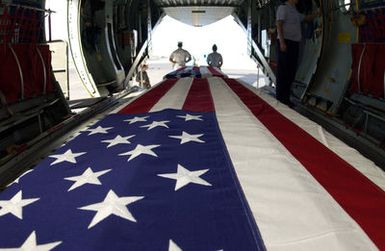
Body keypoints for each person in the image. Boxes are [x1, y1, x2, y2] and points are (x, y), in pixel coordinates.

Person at [276, 0, 319, 106]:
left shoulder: (294, 10)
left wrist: (317, 13)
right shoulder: (283, 8)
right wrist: (282, 43)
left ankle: (285, 98)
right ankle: (280, 99)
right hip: (285, 42)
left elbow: (305, 18)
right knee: (283, 72)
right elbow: (279, 25)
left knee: (291, 71)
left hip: (294, 44)